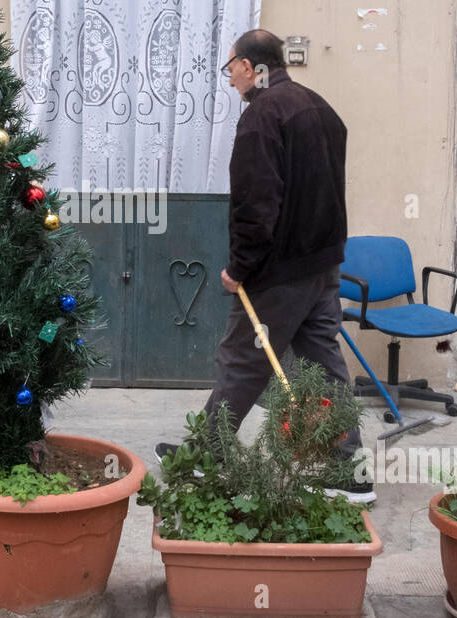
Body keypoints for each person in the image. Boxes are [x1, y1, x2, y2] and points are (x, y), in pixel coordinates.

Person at [155, 29, 370, 500]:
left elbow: (257, 205)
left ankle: (204, 457)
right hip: (323, 265)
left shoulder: (262, 117)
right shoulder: (321, 108)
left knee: (242, 359)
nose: (230, 77)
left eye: (231, 67)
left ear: (253, 67)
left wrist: (240, 267)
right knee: (324, 363)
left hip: (278, 272)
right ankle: (347, 470)